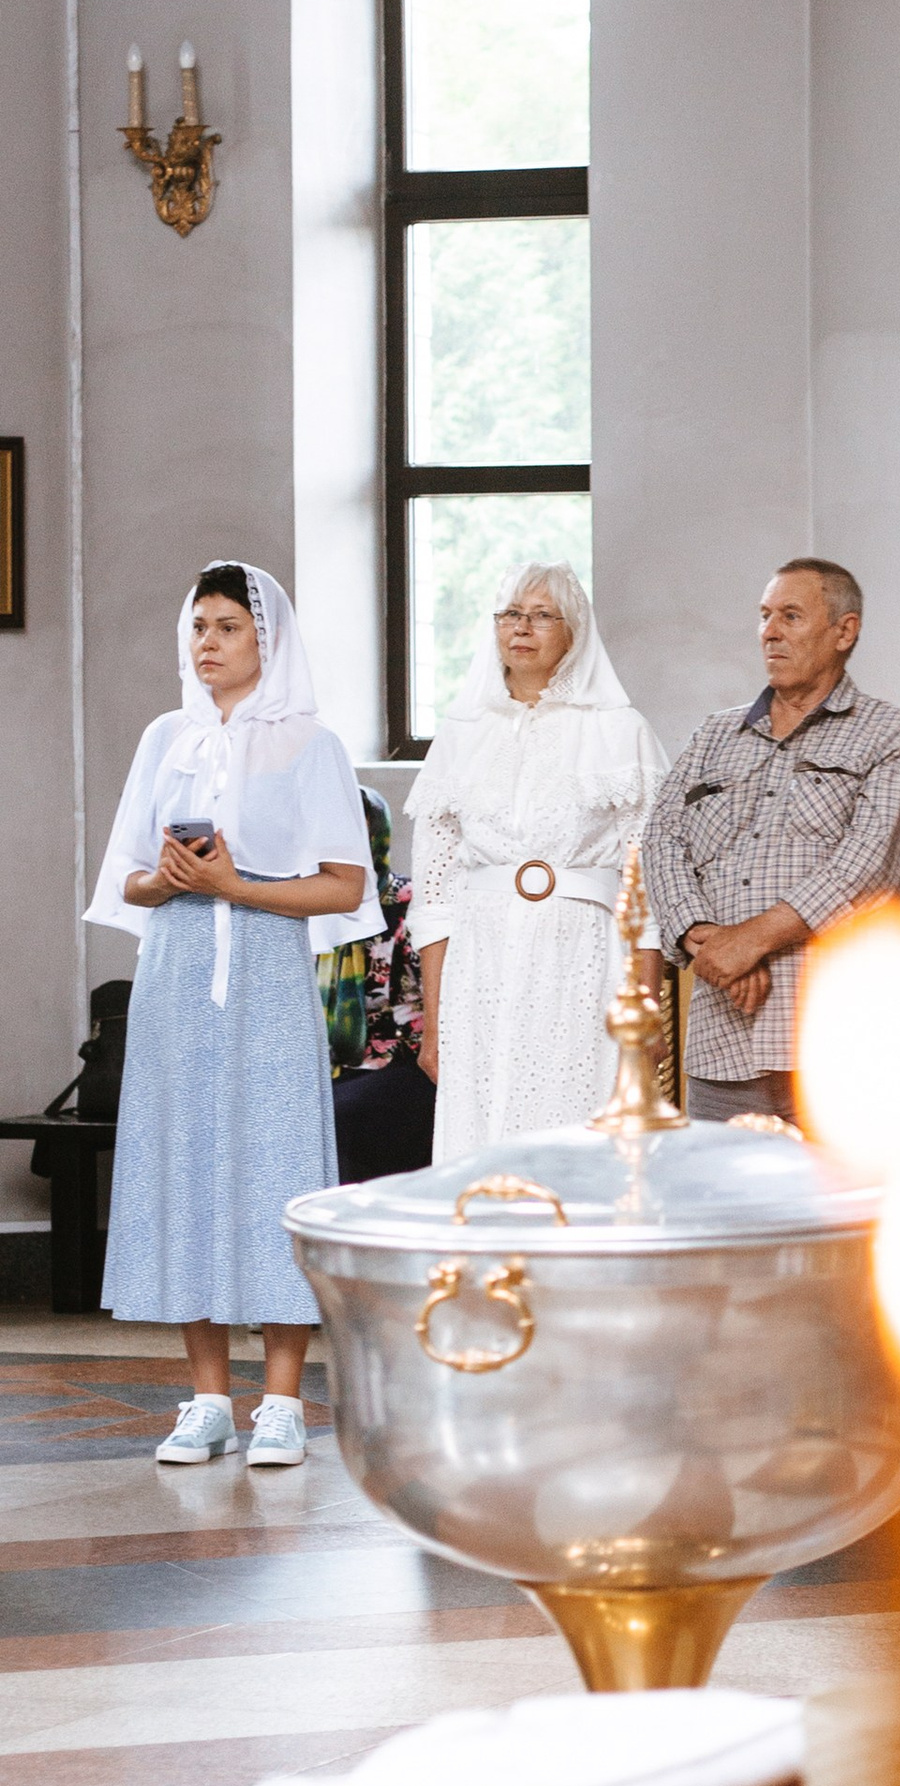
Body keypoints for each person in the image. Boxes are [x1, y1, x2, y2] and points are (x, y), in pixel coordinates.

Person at [88, 562, 375, 1471]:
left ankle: (282, 1401)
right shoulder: (165, 738)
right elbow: (124, 877)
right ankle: (209, 1395)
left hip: (264, 976)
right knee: (188, 1166)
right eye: (198, 627)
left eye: (226, 628)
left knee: (274, 1165)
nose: (205, 644)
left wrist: (233, 882)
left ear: (268, 642)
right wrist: (169, 877)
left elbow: (344, 885)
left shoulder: (311, 747)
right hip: (175, 978)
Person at [640, 558, 900, 1121]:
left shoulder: (892, 736)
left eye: (791, 616)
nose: (769, 632)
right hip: (721, 1043)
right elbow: (660, 841)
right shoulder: (713, 735)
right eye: (765, 616)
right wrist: (708, 940)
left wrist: (749, 942)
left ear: (844, 631)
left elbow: (864, 871)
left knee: (835, 1210)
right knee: (720, 1209)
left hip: (838, 1043)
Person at [407, 565, 668, 1157]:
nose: (521, 628)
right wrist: (436, 1019)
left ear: (574, 631)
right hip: (482, 966)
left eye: (542, 615)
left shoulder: (619, 730)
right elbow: (436, 894)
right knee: (483, 1135)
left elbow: (646, 887)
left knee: (580, 1130)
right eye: (510, 614)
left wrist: (647, 1013)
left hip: (585, 959)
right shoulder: (462, 731)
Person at [320, 789, 436, 1183]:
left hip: (401, 1059)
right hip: (329, 1060)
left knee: (338, 1117)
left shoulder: (410, 902)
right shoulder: (310, 905)